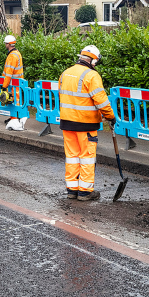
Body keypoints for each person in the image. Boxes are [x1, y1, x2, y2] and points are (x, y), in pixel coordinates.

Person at [58, 45, 115, 201]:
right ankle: (84, 191)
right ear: (94, 60)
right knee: (87, 157)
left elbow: (62, 95)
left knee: (72, 157)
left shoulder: (66, 73)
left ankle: (72, 190)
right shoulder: (92, 75)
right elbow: (101, 100)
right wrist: (110, 117)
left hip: (67, 123)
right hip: (86, 124)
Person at [1, 35, 27, 130]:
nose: (5, 45)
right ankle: (13, 117)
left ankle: (15, 119)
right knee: (16, 101)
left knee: (14, 101)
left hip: (13, 84)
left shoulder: (12, 56)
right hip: (17, 83)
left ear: (8, 44)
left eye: (5, 44)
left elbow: (9, 73)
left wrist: (4, 86)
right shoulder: (17, 53)